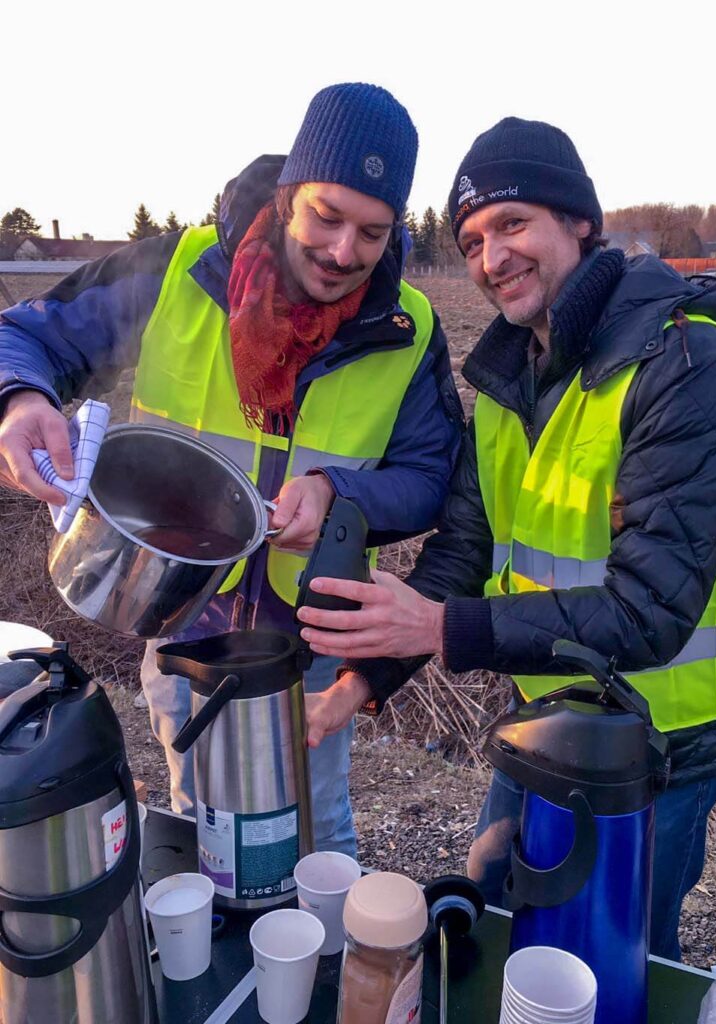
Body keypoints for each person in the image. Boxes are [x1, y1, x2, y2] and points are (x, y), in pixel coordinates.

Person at [296, 116, 716, 958]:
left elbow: (648, 612)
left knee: (609, 960)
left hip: (665, 743)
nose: (489, 259)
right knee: (501, 916)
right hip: (548, 715)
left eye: (511, 225)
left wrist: (442, 630)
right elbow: (463, 553)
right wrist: (362, 681)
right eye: (471, 239)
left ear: (578, 222)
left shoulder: (688, 369)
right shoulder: (512, 376)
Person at [0, 83, 462, 856]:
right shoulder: (172, 274)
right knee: (204, 827)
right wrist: (18, 401)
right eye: (327, 215)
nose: (344, 252)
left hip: (310, 642)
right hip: (181, 624)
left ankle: (321, 967)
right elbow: (28, 337)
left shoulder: (406, 331)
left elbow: (430, 475)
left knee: (315, 833)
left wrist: (337, 492)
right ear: (288, 197)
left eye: (372, 232)